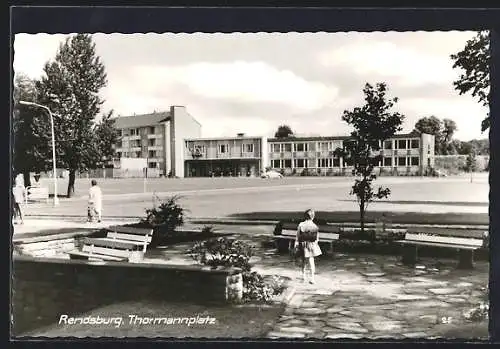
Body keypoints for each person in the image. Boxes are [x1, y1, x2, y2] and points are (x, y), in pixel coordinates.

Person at [294, 209, 322, 284]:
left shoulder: (301, 224)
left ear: (305, 216)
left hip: (302, 244)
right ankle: (312, 278)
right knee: (311, 261)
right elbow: (316, 239)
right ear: (313, 217)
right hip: (311, 245)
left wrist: (296, 244)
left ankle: (303, 276)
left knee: (303, 261)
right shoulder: (314, 226)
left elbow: (298, 235)